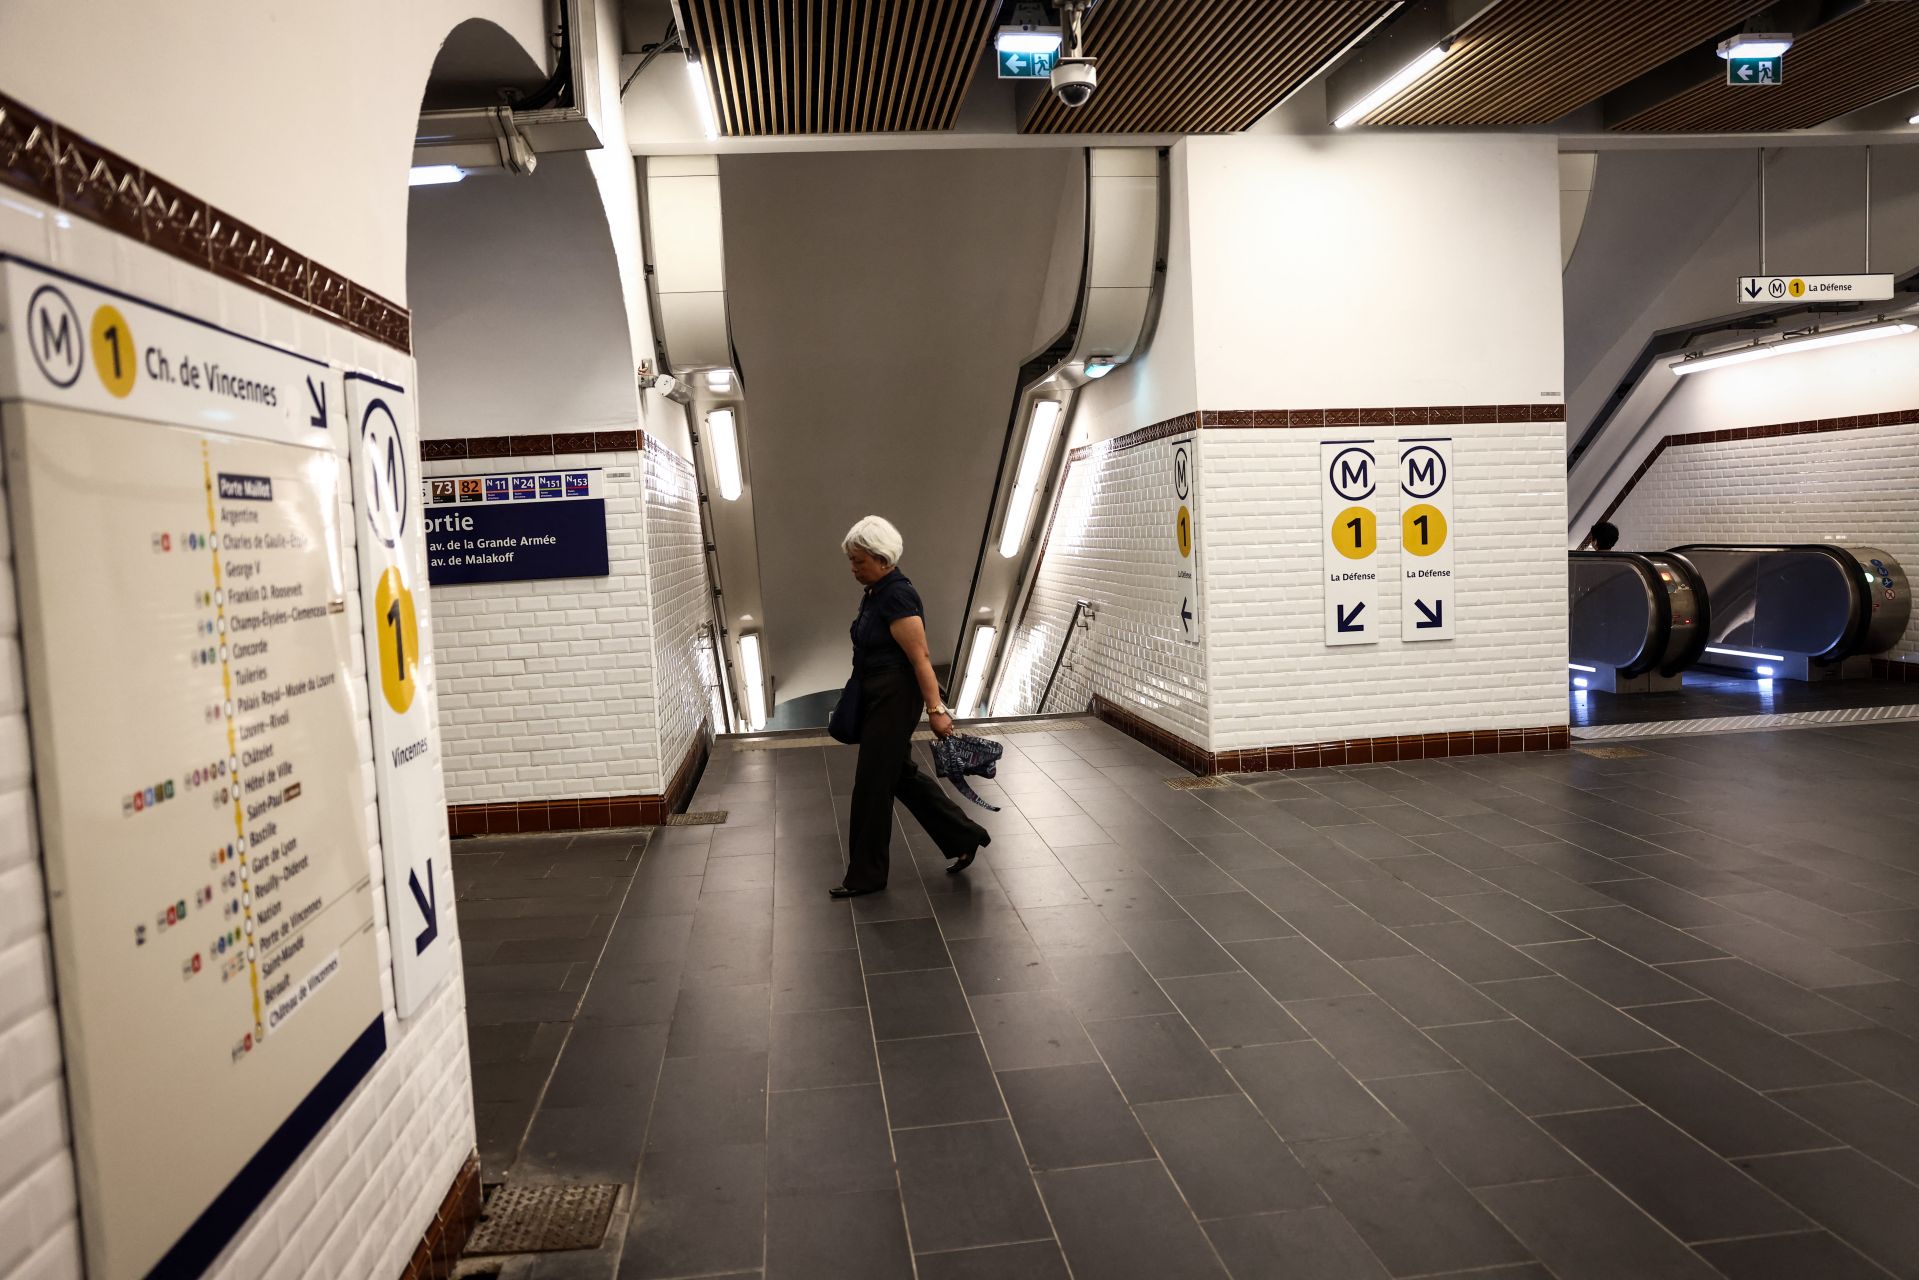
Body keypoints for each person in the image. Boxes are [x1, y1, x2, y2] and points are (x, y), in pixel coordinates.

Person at [831, 516, 990, 899]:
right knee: (897, 775)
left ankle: (866, 876)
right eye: (851, 561)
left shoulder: (898, 595)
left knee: (872, 785)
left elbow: (920, 658)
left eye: (859, 561)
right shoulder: (875, 591)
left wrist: (936, 710)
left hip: (895, 698)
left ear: (882, 558)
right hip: (875, 692)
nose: (853, 569)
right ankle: (965, 834)